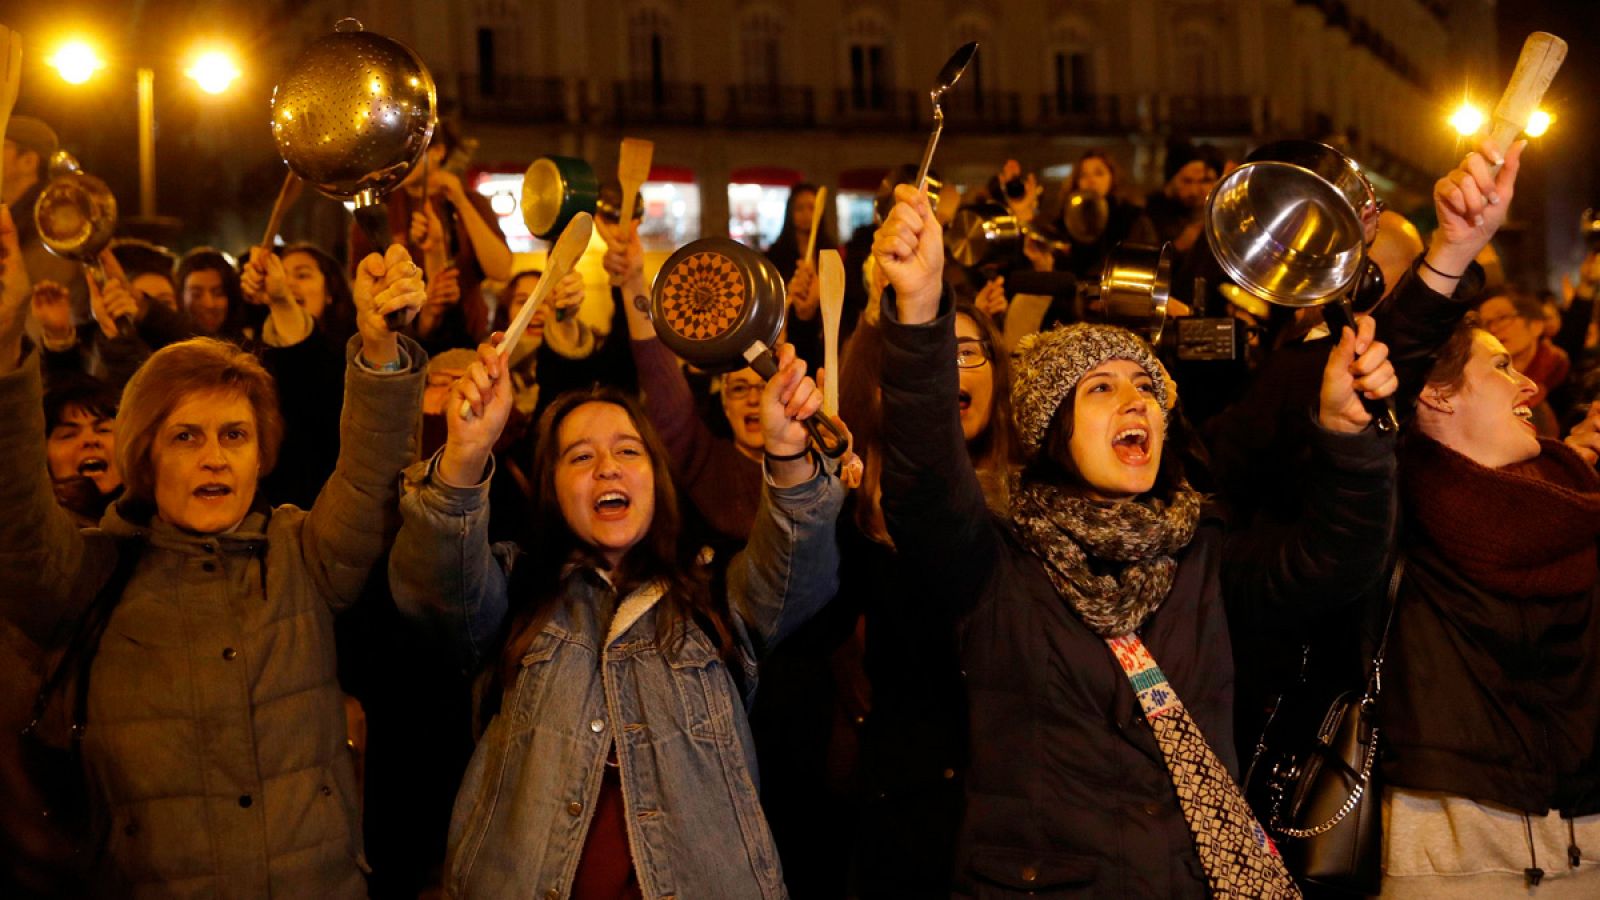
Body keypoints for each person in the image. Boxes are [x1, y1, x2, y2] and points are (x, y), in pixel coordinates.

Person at [871, 183, 1399, 897]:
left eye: (1146, 387)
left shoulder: (1204, 550)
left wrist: (1347, 438)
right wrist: (921, 311)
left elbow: (1337, 561)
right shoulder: (998, 564)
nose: (1135, 400)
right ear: (1052, 430)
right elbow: (925, 480)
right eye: (1100, 389)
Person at [0, 206, 429, 896]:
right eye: (186, 437)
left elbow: (373, 476)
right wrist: (4, 352)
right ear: (143, 454)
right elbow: (17, 520)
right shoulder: (89, 571)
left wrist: (378, 350)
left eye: (234, 436)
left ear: (262, 455)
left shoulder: (299, 553)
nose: (214, 460)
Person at [388, 322, 843, 896]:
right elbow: (430, 587)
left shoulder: (714, 598)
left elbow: (800, 574)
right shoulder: (514, 592)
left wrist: (788, 455)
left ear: (656, 477)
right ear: (552, 488)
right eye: (580, 457)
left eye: (628, 451)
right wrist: (464, 456)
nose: (608, 467)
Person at [1379, 313, 1600, 897]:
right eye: (1502, 366)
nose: (1529, 385)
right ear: (1434, 393)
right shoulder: (1389, 513)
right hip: (1452, 852)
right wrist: (1452, 256)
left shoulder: (1579, 507)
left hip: (1589, 840)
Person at [351, 119, 511, 341]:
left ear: (437, 152)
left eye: (410, 149)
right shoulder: (379, 209)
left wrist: (461, 201)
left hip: (468, 337)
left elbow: (501, 270)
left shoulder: (471, 202)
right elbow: (358, 284)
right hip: (401, 340)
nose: (400, 159)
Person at [1058, 150, 1157, 283]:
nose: (1090, 180)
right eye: (1083, 175)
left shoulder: (1132, 217)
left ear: (1112, 177)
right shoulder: (1066, 219)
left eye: (1098, 173)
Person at [1478, 289, 1567, 435]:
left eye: (1502, 318)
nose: (1493, 329)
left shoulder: (1561, 373)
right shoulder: (1484, 385)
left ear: (1536, 326)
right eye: (1486, 324)